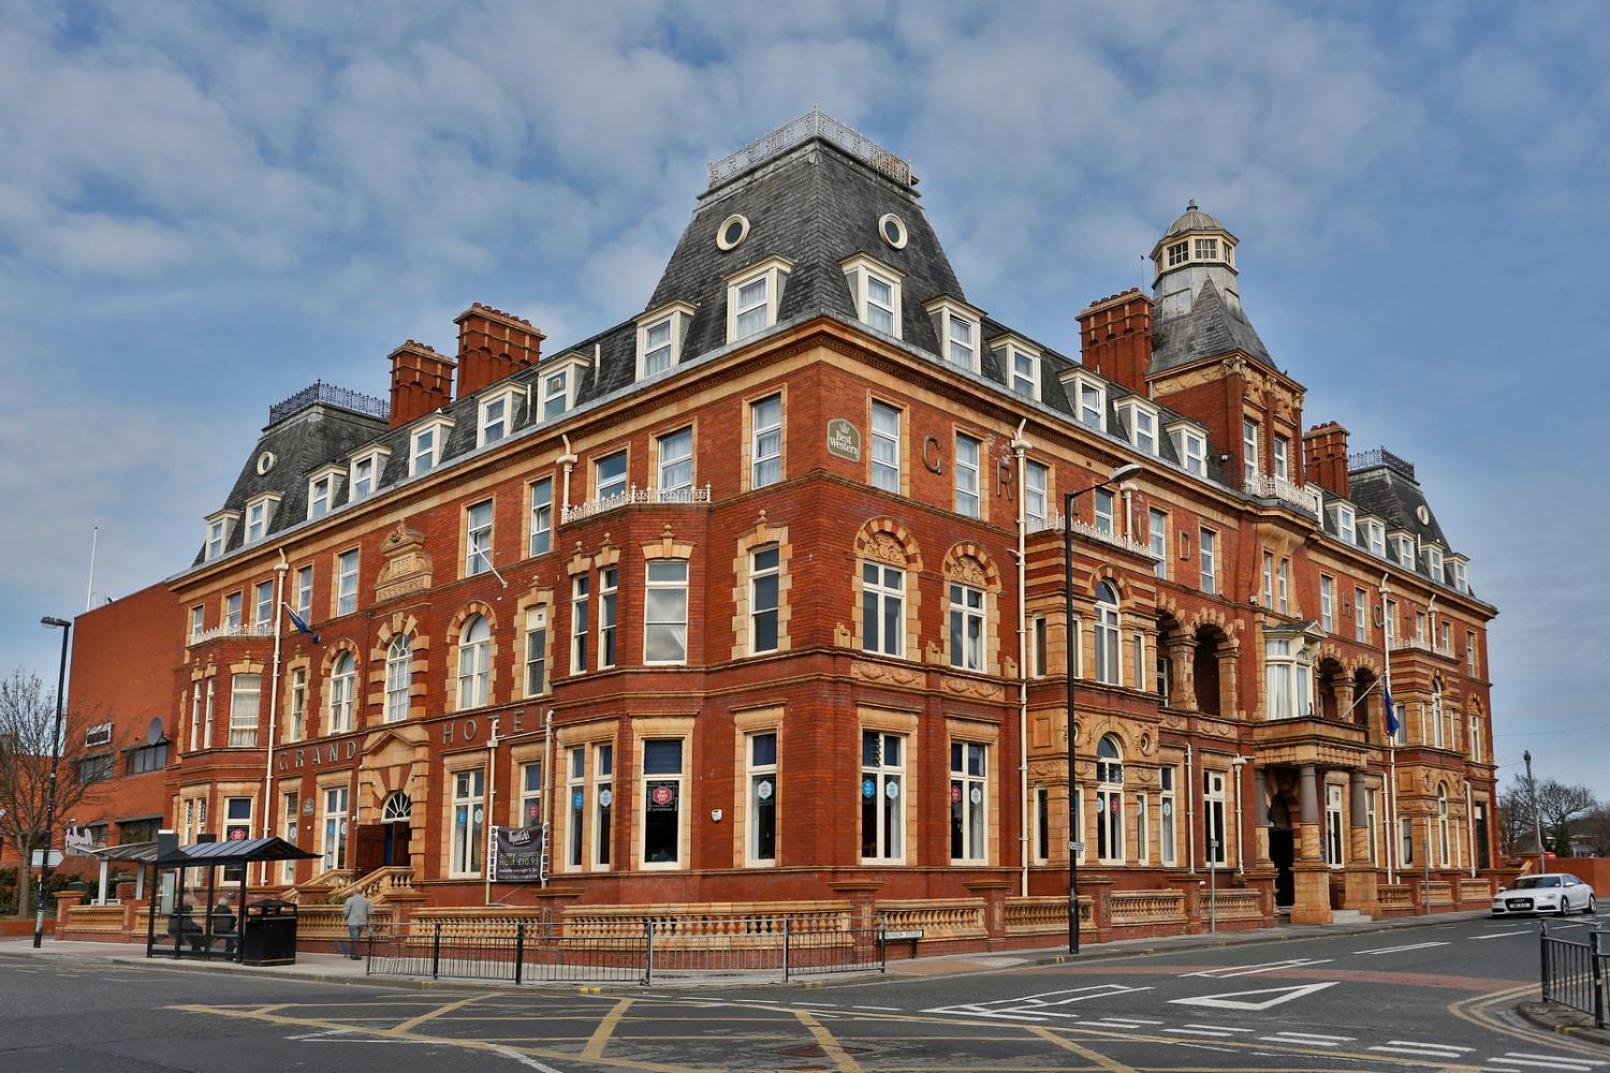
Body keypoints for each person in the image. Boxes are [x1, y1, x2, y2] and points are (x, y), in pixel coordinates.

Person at [341, 890, 373, 960]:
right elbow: (370, 912)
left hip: (352, 922)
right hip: (362, 922)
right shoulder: (367, 900)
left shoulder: (350, 900)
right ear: (362, 892)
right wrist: (369, 922)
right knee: (355, 938)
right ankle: (353, 953)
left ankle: (356, 955)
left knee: (354, 939)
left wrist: (346, 918)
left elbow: (346, 912)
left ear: (354, 892)